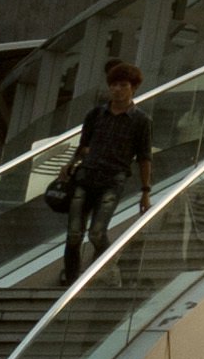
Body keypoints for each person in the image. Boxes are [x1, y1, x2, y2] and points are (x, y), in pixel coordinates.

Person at [59, 65, 153, 273]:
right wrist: (71, 164)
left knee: (97, 233)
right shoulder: (95, 114)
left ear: (133, 88)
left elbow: (144, 157)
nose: (117, 89)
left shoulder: (141, 120)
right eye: (113, 85)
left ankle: (108, 272)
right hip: (86, 175)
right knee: (73, 234)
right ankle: (71, 280)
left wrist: (145, 191)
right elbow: (84, 145)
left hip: (113, 180)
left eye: (123, 85)